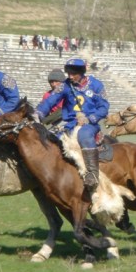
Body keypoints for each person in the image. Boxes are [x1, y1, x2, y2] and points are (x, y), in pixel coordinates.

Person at [36, 58, 109, 194]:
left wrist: (89, 118)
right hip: (69, 124)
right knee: (50, 139)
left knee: (84, 135)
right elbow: (50, 100)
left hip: (89, 124)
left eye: (73, 74)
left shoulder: (96, 85)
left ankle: (92, 173)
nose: (70, 76)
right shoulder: (65, 85)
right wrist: (38, 113)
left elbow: (103, 108)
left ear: (81, 73)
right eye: (68, 73)